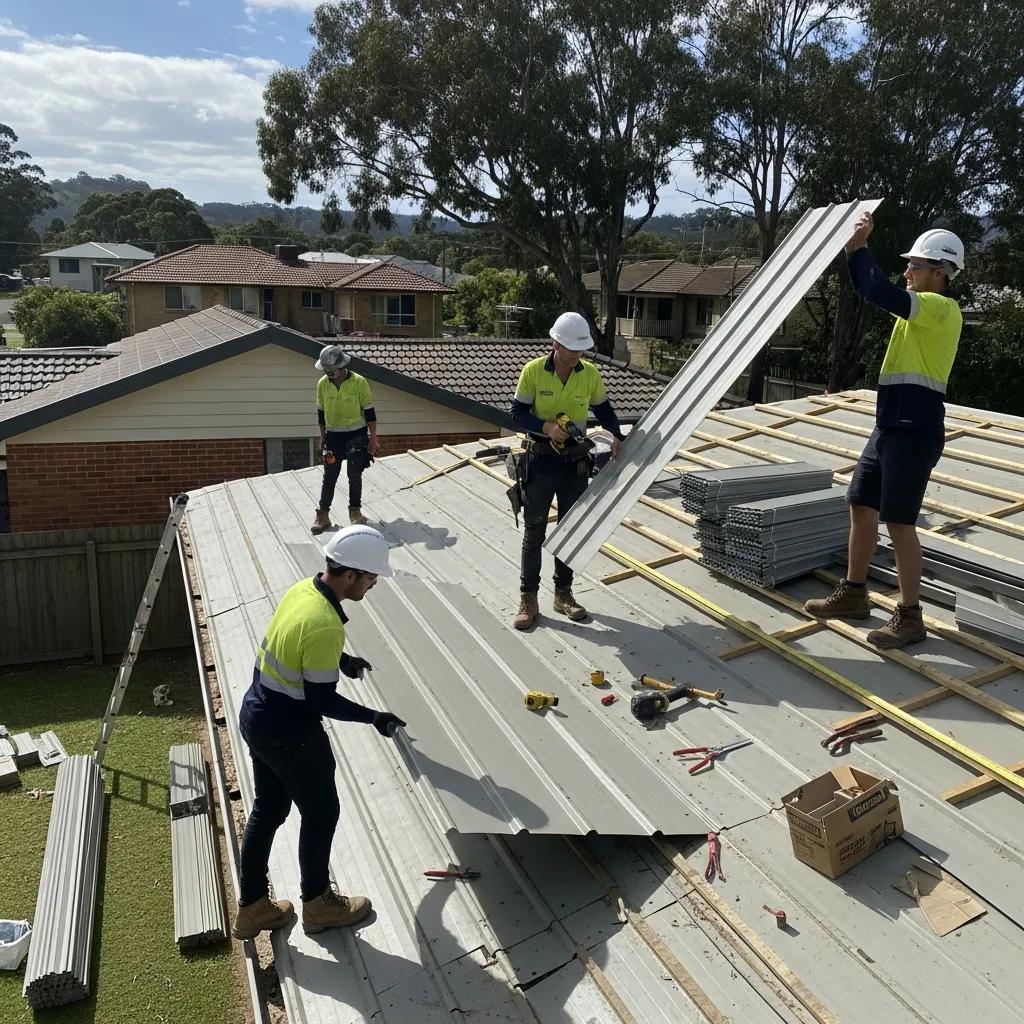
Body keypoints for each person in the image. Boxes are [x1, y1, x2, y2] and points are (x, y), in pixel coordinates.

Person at [231, 525, 406, 940]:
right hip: (292, 733)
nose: (374, 584)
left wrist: (341, 661)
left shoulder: (304, 590)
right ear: (351, 575)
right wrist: (374, 717)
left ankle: (252, 908)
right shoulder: (326, 624)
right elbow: (322, 702)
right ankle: (318, 904)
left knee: (268, 810)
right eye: (371, 578)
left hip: (257, 715)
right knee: (322, 812)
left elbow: (298, 641)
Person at [804, 213, 964, 648]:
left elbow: (877, 289)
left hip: (914, 431)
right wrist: (854, 253)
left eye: (915, 265)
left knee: (899, 522)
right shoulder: (918, 311)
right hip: (889, 425)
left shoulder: (940, 309)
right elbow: (875, 290)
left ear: (940, 272)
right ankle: (854, 593)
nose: (907, 271)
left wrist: (858, 247)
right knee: (861, 504)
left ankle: (910, 616)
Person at [509, 311, 625, 630]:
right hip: (541, 462)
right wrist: (546, 427)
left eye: (580, 350)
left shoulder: (589, 374)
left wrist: (616, 435)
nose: (576, 356)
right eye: (571, 350)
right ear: (556, 345)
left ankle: (563, 594)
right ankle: (528, 599)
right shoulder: (533, 371)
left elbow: (604, 409)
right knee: (534, 532)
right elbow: (517, 413)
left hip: (574, 464)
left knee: (570, 530)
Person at [311, 344, 379, 534]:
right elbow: (321, 413)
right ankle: (323, 516)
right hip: (333, 436)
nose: (328, 373)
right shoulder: (322, 384)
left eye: (331, 370)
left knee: (354, 475)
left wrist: (373, 438)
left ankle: (355, 512)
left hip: (356, 434)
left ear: (341, 366)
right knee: (329, 476)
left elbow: (370, 413)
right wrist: (323, 437)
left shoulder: (359, 382)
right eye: (326, 370)